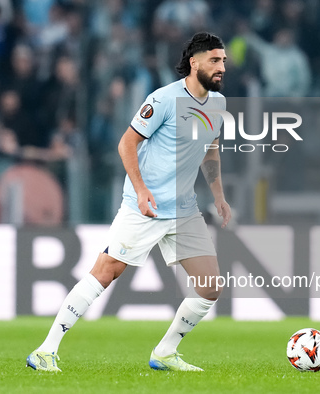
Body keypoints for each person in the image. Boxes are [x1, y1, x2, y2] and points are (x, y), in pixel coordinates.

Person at [26, 32, 231, 372]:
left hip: (184, 210)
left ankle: (165, 353)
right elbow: (126, 144)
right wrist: (140, 190)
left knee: (210, 286)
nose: (222, 66)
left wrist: (219, 195)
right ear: (194, 63)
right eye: (215, 60)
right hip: (146, 207)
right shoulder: (164, 99)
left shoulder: (218, 105)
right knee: (107, 270)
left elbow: (210, 148)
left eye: (223, 60)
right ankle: (45, 350)